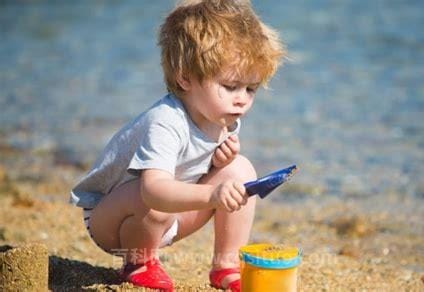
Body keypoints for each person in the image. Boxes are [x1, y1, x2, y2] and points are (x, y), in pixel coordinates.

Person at [70, 0, 285, 291]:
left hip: (169, 216)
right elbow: (153, 190)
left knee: (241, 170)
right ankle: (139, 261)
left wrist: (218, 165)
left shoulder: (223, 115)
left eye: (251, 89)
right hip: (113, 220)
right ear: (185, 78)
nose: (242, 99)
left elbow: (191, 167)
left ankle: (226, 265)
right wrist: (212, 193)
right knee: (152, 199)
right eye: (231, 86)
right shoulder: (165, 121)